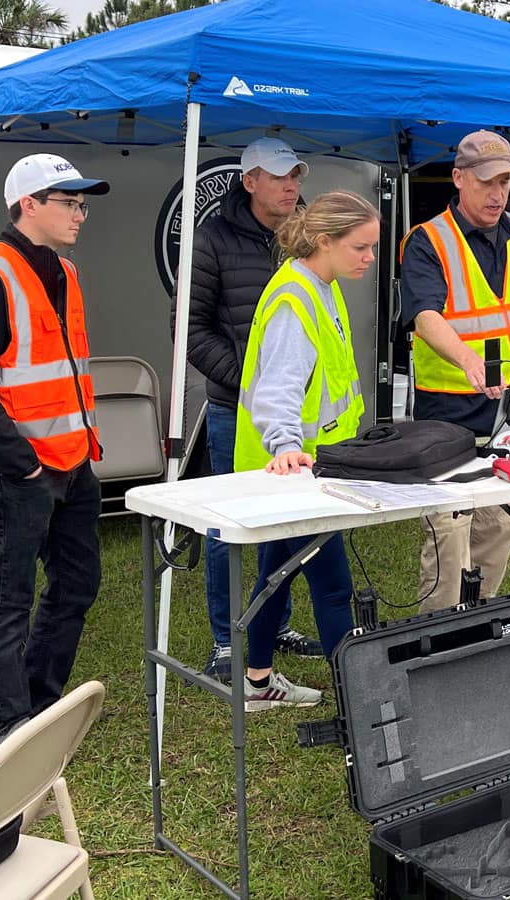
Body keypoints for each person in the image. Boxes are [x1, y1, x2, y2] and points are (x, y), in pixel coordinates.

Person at [0, 153, 110, 751]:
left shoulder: (65, 273)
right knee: (8, 596)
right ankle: (9, 729)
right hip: (11, 469)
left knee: (78, 583)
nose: (80, 215)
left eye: (82, 203)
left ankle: (40, 703)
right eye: (69, 203)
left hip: (72, 460)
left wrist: (71, 457)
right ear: (28, 204)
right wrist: (23, 465)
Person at [175, 137, 323, 686]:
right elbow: (189, 333)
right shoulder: (211, 239)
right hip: (233, 410)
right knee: (229, 525)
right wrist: (256, 383)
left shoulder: (306, 238)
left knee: (288, 523)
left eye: (297, 176)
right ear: (249, 181)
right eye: (280, 176)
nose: (292, 186)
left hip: (298, 417)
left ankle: (273, 625)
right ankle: (224, 638)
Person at [400, 130, 510, 613]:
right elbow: (425, 315)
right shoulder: (427, 241)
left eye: (505, 184)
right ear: (458, 179)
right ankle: (437, 632)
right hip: (447, 412)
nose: (498, 194)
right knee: (450, 531)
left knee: (500, 527)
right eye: (487, 183)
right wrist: (468, 360)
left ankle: (479, 622)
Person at [233, 191, 379, 709]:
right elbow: (278, 388)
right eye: (361, 248)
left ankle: (256, 681)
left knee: (278, 572)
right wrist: (287, 447)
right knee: (332, 585)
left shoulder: (321, 284)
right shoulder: (297, 299)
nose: (369, 258)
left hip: (316, 466)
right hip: (296, 470)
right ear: (325, 242)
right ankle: (357, 703)